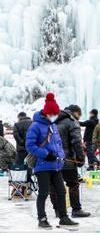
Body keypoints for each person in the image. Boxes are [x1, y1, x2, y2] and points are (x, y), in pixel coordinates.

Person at [25, 93, 78, 229]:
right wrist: (45, 154)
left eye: (56, 114)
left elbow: (58, 143)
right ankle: (42, 218)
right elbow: (30, 145)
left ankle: (63, 217)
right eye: (52, 114)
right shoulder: (35, 126)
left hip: (55, 165)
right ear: (46, 113)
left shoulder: (53, 126)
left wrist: (60, 157)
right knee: (43, 192)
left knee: (61, 191)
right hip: (42, 165)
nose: (55, 116)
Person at [50, 105, 90, 218]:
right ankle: (76, 209)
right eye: (79, 114)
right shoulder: (72, 122)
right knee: (73, 184)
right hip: (67, 160)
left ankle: (58, 211)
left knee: (54, 185)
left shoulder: (51, 121)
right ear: (75, 112)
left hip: (52, 159)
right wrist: (81, 158)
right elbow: (77, 142)